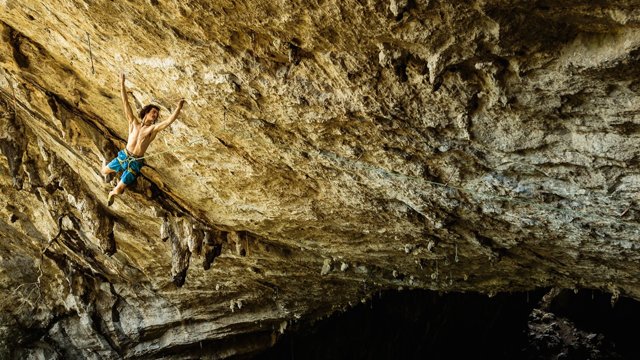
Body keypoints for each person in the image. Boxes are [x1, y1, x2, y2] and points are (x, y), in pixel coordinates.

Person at [101, 73, 185, 206]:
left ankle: (112, 193)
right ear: (146, 112)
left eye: (156, 114)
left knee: (119, 189)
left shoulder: (152, 130)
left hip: (135, 162)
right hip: (124, 156)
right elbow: (125, 103)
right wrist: (121, 83)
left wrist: (178, 108)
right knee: (104, 171)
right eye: (153, 112)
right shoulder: (133, 123)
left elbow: (168, 122)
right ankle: (110, 172)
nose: (155, 114)